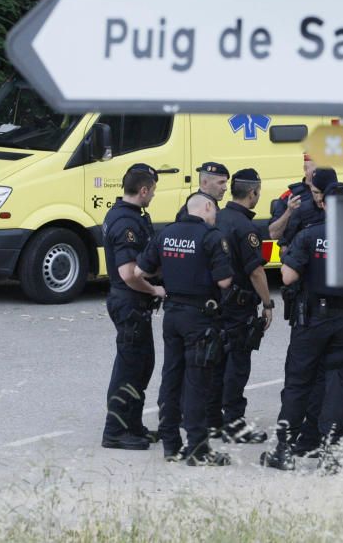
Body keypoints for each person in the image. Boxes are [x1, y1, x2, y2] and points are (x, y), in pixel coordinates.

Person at [261, 172, 343, 473]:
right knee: (337, 383)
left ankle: (284, 449)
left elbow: (287, 276)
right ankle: (332, 453)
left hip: (313, 317)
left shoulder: (310, 234)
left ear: (325, 205)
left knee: (298, 383)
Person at [135, 193, 235, 466]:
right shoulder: (211, 236)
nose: (215, 216)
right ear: (206, 207)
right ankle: (198, 449)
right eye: (214, 210)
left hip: (172, 314)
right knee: (197, 382)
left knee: (172, 376)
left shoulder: (166, 233)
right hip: (200, 317)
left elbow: (139, 272)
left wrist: (163, 283)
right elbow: (225, 281)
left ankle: (171, 444)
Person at [100, 164, 166, 451]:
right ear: (143, 190)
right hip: (129, 302)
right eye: (152, 190)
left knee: (142, 365)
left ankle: (133, 425)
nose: (153, 195)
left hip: (133, 304)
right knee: (130, 368)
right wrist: (155, 289)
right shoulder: (127, 223)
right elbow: (129, 273)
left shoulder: (126, 214)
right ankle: (115, 431)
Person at [207, 168, 275, 443]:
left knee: (216, 363)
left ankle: (212, 421)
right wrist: (268, 304)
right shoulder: (245, 228)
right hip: (238, 307)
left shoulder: (217, 218)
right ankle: (234, 424)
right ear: (253, 192)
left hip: (216, 303)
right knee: (237, 365)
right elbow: (256, 272)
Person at [268, 153, 320, 253]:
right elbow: (273, 234)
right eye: (314, 169)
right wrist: (289, 211)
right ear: (305, 169)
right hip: (298, 255)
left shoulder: (333, 194)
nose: (317, 174)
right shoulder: (290, 196)